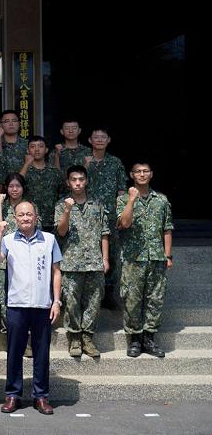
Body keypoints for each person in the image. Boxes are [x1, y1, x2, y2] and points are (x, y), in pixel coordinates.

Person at [0, 201, 62, 415]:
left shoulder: (49, 240)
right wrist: (0, 233)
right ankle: (12, 395)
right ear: (15, 218)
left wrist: (56, 300)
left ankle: (41, 396)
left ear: (36, 217)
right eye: (21, 215)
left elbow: (56, 271)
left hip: (42, 305)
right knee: (14, 352)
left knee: (41, 353)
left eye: (29, 214)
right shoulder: (9, 240)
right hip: (17, 305)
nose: (25, 218)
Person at [116, 162, 174, 358]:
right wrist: (131, 200)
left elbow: (167, 228)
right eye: (138, 172)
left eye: (145, 171)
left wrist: (168, 255)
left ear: (151, 174)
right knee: (132, 300)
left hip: (156, 257)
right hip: (133, 259)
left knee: (155, 299)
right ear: (132, 175)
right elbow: (124, 223)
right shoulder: (123, 198)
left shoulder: (161, 200)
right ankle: (134, 340)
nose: (142, 174)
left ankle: (149, 339)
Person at [54, 165, 109, 358]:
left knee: (94, 301)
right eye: (74, 180)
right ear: (68, 182)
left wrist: (105, 258)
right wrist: (67, 211)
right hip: (71, 261)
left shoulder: (97, 204)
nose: (78, 183)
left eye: (81, 179)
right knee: (71, 301)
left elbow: (104, 233)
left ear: (86, 181)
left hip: (94, 261)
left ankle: (88, 337)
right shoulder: (62, 204)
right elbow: (61, 231)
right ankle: (75, 338)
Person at [84, 127, 127, 309]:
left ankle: (108, 293)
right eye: (96, 137)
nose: (100, 140)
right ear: (90, 140)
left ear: (108, 140)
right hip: (87, 215)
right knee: (89, 252)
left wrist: (121, 212)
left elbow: (121, 189)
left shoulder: (115, 162)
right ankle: (89, 292)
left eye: (103, 137)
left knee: (112, 254)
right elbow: (70, 183)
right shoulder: (83, 160)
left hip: (110, 216)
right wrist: (86, 165)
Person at [0, 173, 36, 333]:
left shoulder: (29, 207)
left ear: (23, 188)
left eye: (18, 186)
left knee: (25, 295)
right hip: (3, 260)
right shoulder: (2, 206)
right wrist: (0, 202)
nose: (14, 189)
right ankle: (9, 331)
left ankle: (26, 333)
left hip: (24, 260)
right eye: (11, 186)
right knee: (3, 298)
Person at [20, 135, 64, 232]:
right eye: (32, 146)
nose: (36, 149)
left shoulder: (54, 172)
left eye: (40, 146)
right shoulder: (24, 171)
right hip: (29, 220)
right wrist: (26, 164)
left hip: (52, 221)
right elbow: (17, 184)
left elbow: (63, 193)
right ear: (28, 150)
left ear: (46, 150)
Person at [0, 110, 29, 176]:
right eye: (7, 121)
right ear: (1, 125)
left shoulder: (28, 144)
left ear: (19, 123)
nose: (11, 124)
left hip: (22, 183)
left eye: (14, 120)